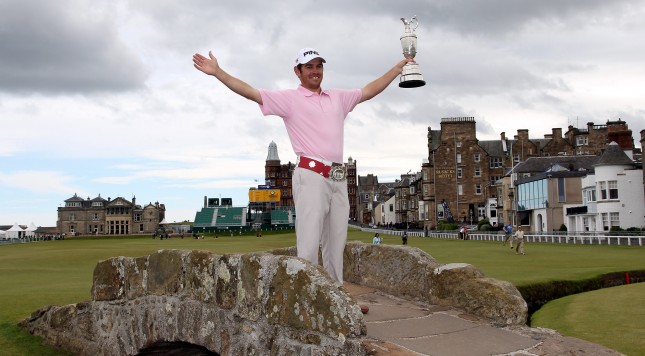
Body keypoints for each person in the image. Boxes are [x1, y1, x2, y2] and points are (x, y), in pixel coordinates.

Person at [193, 48, 411, 284]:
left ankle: (336, 298)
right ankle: (310, 298)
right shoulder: (290, 99)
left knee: (337, 242)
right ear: (297, 72)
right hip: (311, 175)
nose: (315, 71)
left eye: (319, 66)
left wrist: (397, 70)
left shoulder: (337, 97)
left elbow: (369, 90)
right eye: (309, 67)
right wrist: (218, 72)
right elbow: (250, 92)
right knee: (308, 243)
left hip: (338, 177)